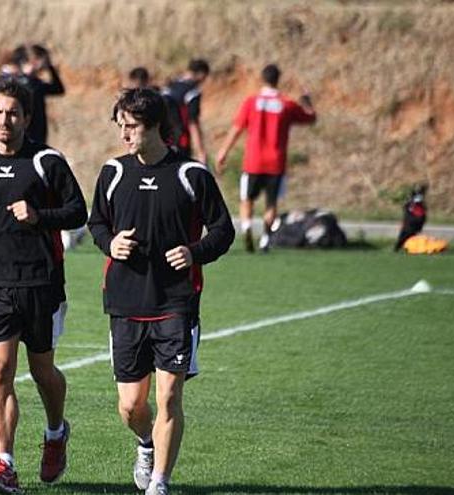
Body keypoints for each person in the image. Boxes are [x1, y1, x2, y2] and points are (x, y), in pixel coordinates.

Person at [88, 88, 234, 495]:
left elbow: (223, 231)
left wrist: (194, 252)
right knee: (131, 406)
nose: (124, 135)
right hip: (125, 301)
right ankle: (145, 443)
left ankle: (159, 484)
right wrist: (109, 243)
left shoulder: (192, 175)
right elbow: (96, 222)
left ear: (154, 127)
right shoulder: (112, 173)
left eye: (131, 127)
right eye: (120, 126)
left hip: (175, 303)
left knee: (169, 397)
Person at [0, 77, 87, 494]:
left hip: (42, 283)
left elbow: (77, 211)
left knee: (41, 370)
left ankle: (56, 432)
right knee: (0, 370)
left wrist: (38, 216)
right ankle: (5, 464)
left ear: (27, 118)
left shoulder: (47, 161)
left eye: (13, 113)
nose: (4, 120)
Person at [215, 63, 317, 252]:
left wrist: (223, 151)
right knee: (271, 204)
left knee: (247, 199)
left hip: (253, 161)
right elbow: (310, 118)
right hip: (276, 163)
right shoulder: (286, 104)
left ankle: (246, 228)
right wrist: (307, 101)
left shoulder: (251, 102)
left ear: (262, 79)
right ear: (278, 80)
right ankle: (265, 240)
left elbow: (237, 128)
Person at [162, 58, 211, 163]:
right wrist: (201, 152)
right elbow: (193, 123)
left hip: (161, 140)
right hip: (180, 141)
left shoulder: (168, 86)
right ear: (201, 74)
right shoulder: (192, 92)